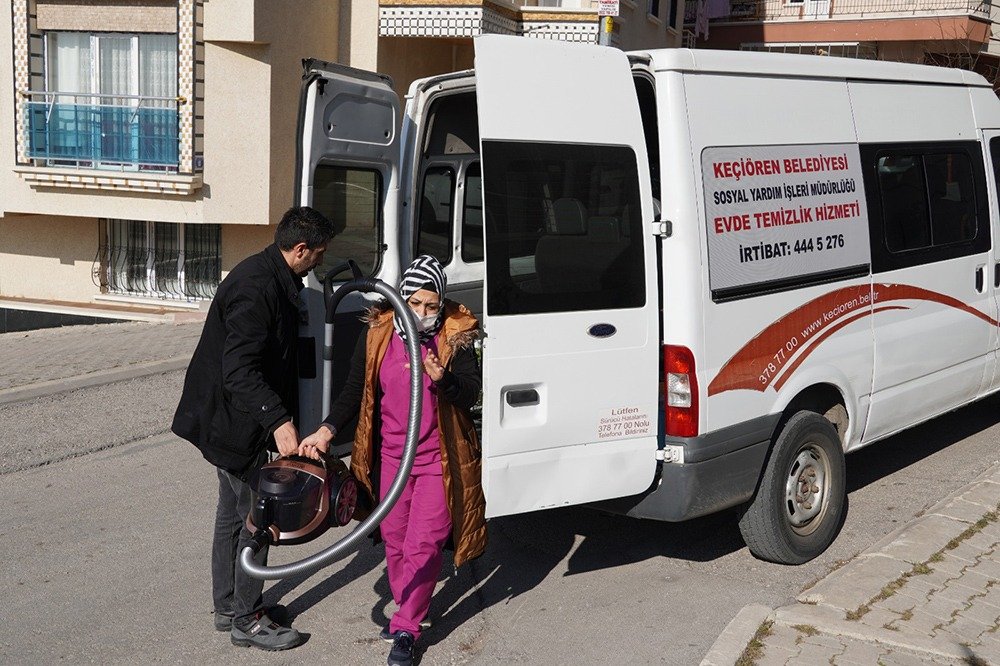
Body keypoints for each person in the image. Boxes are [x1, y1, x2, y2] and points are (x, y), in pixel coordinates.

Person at [299, 254, 486, 666]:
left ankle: (406, 627)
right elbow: (355, 391)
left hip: (438, 461)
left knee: (425, 542)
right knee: (396, 540)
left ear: (442, 304)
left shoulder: (454, 336)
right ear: (401, 298)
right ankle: (409, 604)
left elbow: (471, 393)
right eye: (415, 302)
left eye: (431, 305)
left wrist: (444, 379)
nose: (422, 312)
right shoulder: (380, 333)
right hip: (391, 460)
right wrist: (326, 430)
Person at [171, 206, 335, 651]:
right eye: (318, 254)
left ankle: (228, 606)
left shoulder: (272, 276)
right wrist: (278, 420)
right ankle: (248, 618)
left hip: (228, 419)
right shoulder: (256, 287)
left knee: (231, 512)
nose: (319, 262)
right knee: (258, 517)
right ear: (299, 249)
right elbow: (239, 370)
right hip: (233, 423)